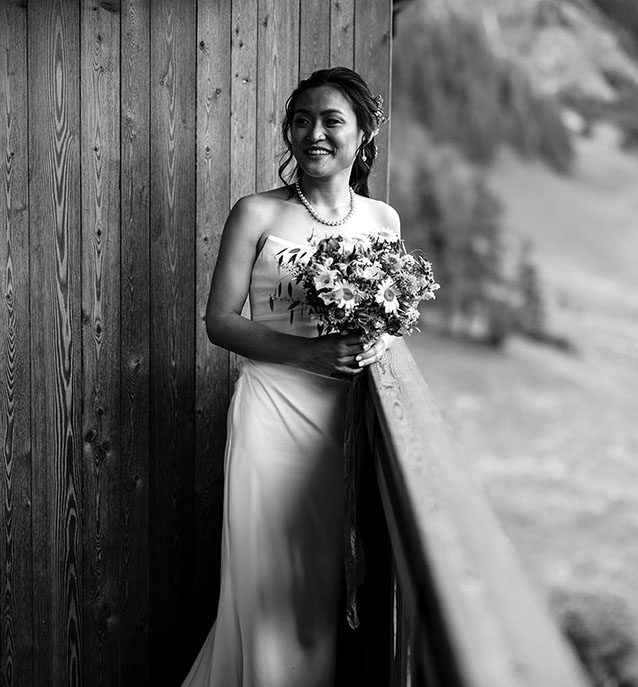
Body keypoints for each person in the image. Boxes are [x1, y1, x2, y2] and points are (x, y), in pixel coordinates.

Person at [181, 67, 396, 687]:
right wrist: (307, 355)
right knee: (265, 580)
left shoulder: (384, 222)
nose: (314, 134)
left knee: (318, 579)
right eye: (302, 120)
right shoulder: (255, 213)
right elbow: (220, 322)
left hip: (344, 423)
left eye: (332, 121)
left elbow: (385, 326)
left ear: (364, 132)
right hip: (271, 413)